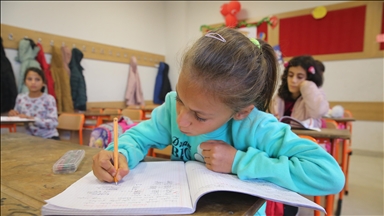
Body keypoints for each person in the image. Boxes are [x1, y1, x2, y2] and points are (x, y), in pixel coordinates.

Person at [92, 28, 344, 215]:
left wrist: (239, 161)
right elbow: (137, 136)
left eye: (199, 116)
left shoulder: (257, 126)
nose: (182, 120)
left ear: (241, 112)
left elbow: (329, 176)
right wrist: (119, 153)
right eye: (180, 99)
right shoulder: (171, 107)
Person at [270, 55, 329, 129]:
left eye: (300, 77)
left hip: (307, 137)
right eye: (290, 75)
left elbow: (318, 112)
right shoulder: (280, 96)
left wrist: (307, 86)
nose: (293, 80)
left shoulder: (314, 92)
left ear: (309, 79)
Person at [8, 67, 59, 140]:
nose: (33, 82)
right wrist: (13, 115)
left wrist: (31, 119)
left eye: (37, 79)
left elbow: (53, 123)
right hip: (29, 139)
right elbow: (18, 119)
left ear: (43, 83)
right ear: (25, 82)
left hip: (48, 138)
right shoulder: (21, 98)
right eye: (29, 79)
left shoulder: (49, 99)